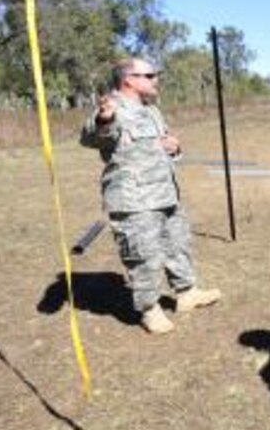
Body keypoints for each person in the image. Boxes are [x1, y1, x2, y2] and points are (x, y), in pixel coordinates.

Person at [80, 58, 221, 334]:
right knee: (143, 255)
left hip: (166, 193)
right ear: (129, 80)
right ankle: (149, 309)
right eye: (150, 75)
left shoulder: (152, 110)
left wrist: (175, 147)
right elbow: (91, 137)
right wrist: (103, 119)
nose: (156, 79)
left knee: (178, 244)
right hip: (134, 199)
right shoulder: (112, 107)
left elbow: (164, 145)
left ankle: (187, 293)